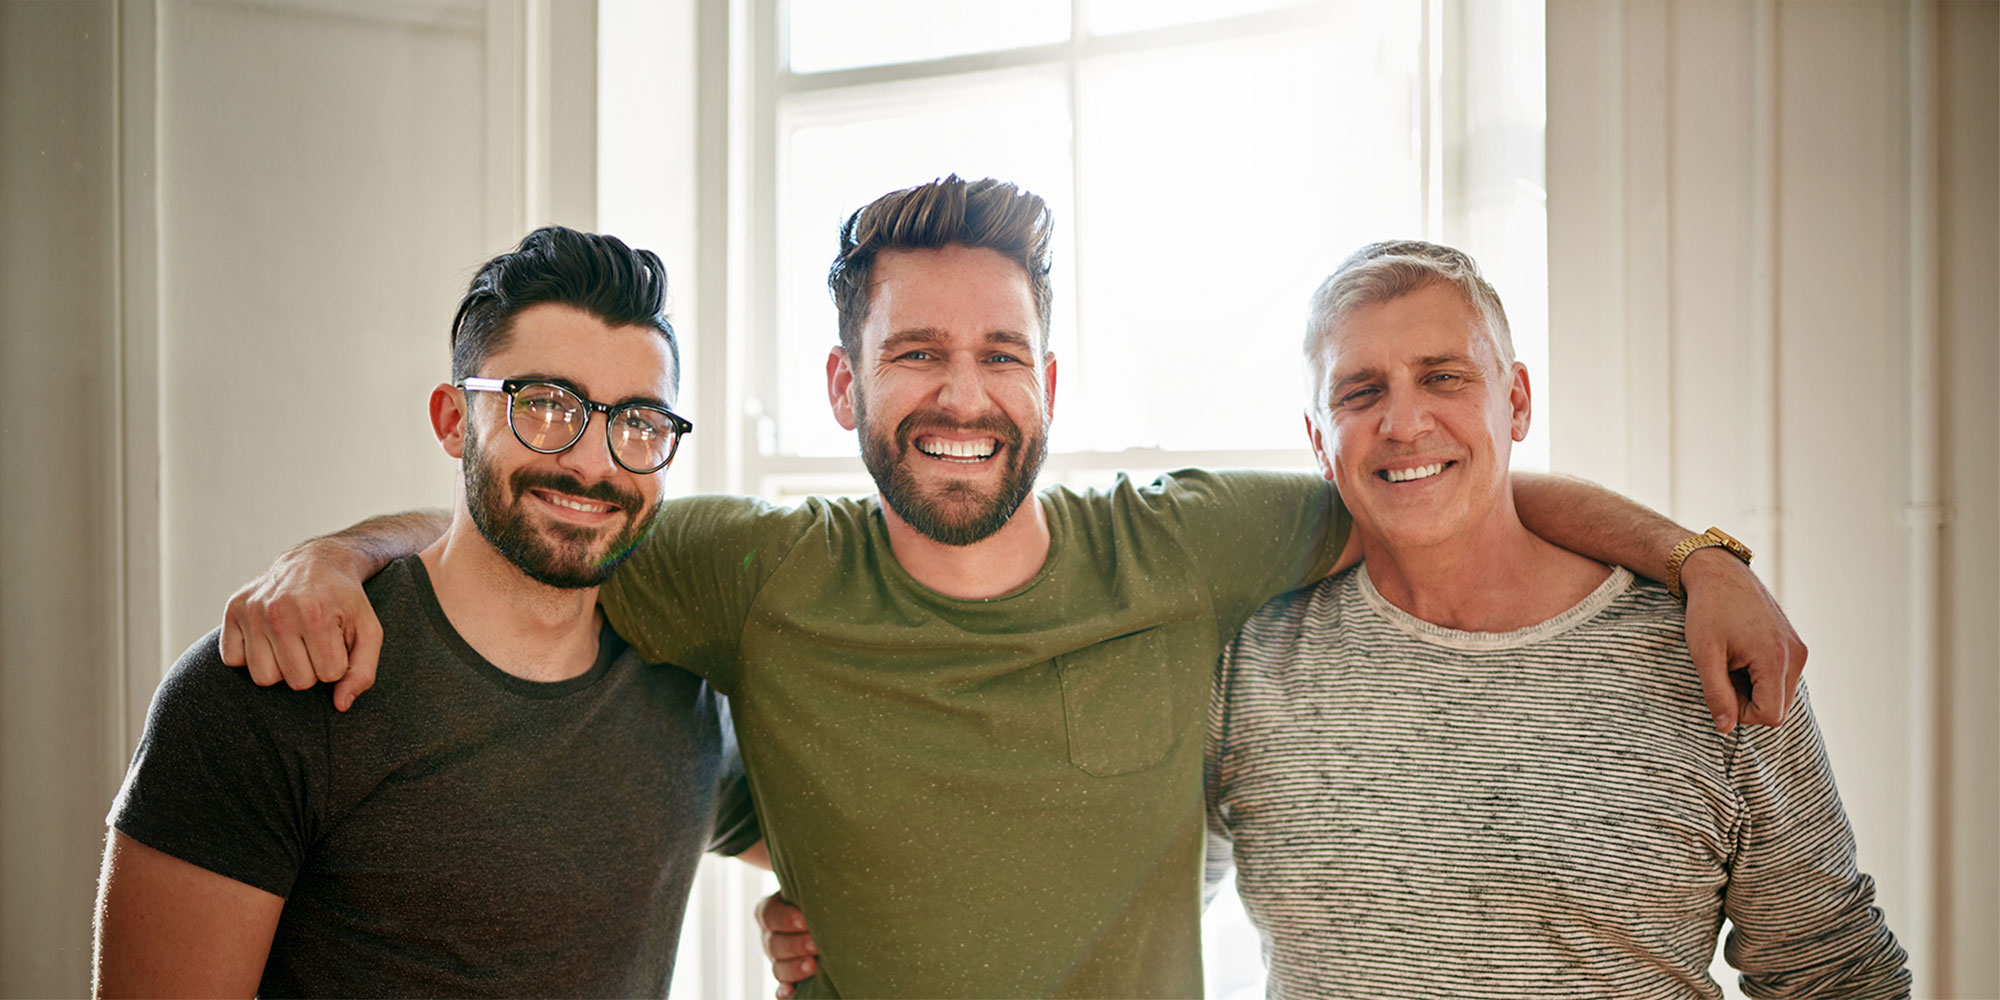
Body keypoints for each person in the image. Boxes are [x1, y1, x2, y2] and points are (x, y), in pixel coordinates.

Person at [220, 177, 1807, 999]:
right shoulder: (755, 571)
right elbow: (539, 503)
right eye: (913, 353)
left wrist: (1695, 557)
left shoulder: (1184, 545)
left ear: (1049, 380)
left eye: (995, 355)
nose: (959, 394)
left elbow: (1434, 477)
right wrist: (333, 555)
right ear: (844, 392)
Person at [1199, 241, 1908, 997]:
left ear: (1516, 402)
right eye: (1359, 392)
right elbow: (1146, 911)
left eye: (1443, 377)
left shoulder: (1708, 651)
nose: (1404, 423)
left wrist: (1702, 560)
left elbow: (1832, 971)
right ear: (1318, 439)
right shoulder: (1250, 661)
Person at [93, 227, 763, 999]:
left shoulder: (684, 695)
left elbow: (847, 848)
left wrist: (810, 920)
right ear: (453, 421)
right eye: (544, 405)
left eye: (639, 422)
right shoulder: (271, 683)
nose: (594, 461)